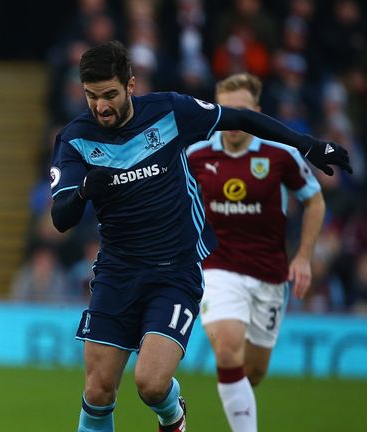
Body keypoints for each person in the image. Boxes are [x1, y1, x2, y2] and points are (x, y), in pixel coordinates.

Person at [49, 41, 350, 432]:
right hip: (117, 271)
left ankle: (172, 413)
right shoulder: (75, 138)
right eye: (91, 97)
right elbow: (60, 217)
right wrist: (86, 189)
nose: (101, 106)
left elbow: (241, 118)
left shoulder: (169, 111)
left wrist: (307, 144)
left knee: (151, 384)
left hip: (175, 271)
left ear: (131, 85)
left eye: (109, 95)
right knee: (98, 391)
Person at [186, 73, 324, 432]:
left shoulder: (280, 153)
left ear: (257, 112)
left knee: (254, 372)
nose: (233, 121)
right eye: (226, 111)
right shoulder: (195, 153)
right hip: (217, 267)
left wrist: (303, 256)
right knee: (227, 349)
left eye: (242, 112)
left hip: (269, 273)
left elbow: (314, 201)